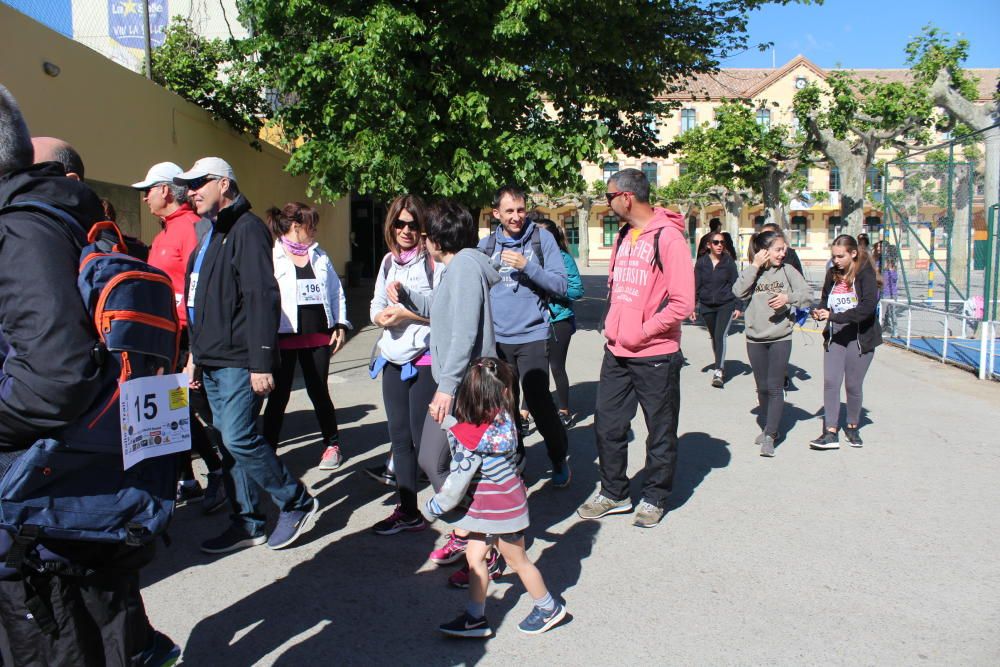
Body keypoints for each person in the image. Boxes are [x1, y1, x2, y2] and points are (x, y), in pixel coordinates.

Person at [0, 85, 180, 666]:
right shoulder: (89, 229)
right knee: (104, 620)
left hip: (39, 495)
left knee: (61, 634)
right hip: (90, 476)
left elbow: (55, 376)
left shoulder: (23, 230)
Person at [176, 157, 318, 554]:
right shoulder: (212, 234)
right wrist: (194, 357)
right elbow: (199, 303)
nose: (192, 191)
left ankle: (295, 500)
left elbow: (261, 296)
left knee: (238, 437)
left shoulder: (247, 228)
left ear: (225, 183)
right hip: (214, 359)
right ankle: (248, 522)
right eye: (188, 185)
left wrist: (260, 361)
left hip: (241, 359)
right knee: (228, 441)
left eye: (199, 182)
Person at [386, 198, 502, 586]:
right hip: (463, 385)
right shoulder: (458, 268)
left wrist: (446, 387)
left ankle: (482, 545)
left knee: (440, 462)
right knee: (449, 465)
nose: (420, 239)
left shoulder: (465, 266)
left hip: (468, 387)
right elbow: (441, 308)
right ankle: (474, 541)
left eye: (424, 233)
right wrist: (408, 297)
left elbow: (466, 329)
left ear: (437, 237)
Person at [576, 168, 694, 529]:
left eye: (609, 196)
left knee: (659, 431)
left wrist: (642, 331)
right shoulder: (625, 236)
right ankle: (614, 492)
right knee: (608, 425)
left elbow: (683, 303)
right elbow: (618, 289)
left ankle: (655, 497)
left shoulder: (669, 238)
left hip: (655, 354)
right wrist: (615, 328)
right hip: (617, 351)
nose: (607, 203)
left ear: (626, 196)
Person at [424, 358, 566, 638]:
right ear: (502, 393)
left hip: (498, 511)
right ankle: (475, 618)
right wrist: (447, 422)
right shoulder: (502, 421)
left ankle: (548, 607)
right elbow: (471, 435)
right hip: (497, 507)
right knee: (475, 556)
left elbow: (455, 485)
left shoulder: (475, 438)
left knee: (517, 561)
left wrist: (432, 508)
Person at [132, 161, 227, 513]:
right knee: (173, 411)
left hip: (188, 339)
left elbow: (201, 288)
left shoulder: (193, 228)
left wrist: (194, 351)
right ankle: (188, 478)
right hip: (163, 338)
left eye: (148, 190)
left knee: (191, 410)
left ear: (165, 191)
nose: (144, 198)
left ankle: (221, 470)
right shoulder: (161, 235)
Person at [478, 186, 570, 486]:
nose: (517, 217)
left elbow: (561, 285)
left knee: (539, 402)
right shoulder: (486, 245)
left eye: (521, 210)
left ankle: (558, 458)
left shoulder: (541, 239)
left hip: (533, 334)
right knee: (505, 407)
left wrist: (527, 266)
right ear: (497, 214)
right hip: (499, 339)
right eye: (509, 211)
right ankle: (517, 461)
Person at [368, 195, 441, 534]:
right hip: (392, 358)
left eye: (413, 225)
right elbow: (376, 304)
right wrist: (381, 317)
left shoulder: (432, 263)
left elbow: (443, 313)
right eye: (400, 224)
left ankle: (460, 510)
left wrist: (407, 314)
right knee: (398, 438)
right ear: (391, 225)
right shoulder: (388, 262)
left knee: (422, 442)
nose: (407, 231)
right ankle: (408, 510)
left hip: (423, 360)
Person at [262, 202, 351, 469]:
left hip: (317, 336)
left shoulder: (319, 255)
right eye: (311, 226)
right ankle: (268, 451)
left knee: (319, 391)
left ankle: (332, 445)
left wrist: (340, 324)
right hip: (283, 336)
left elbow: (336, 292)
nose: (315, 231)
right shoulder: (271, 255)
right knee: (278, 397)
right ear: (296, 226)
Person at [732, 229, 813, 457]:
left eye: (783, 249)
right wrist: (755, 266)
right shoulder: (754, 273)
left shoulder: (788, 271)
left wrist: (789, 298)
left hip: (780, 337)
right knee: (762, 387)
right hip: (755, 338)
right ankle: (768, 425)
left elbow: (808, 294)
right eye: (778, 249)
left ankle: (771, 434)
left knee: (775, 386)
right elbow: (738, 291)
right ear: (764, 251)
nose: (783, 253)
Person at [810, 235, 883, 450]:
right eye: (833, 256)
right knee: (831, 382)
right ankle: (830, 431)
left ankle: (852, 426)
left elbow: (867, 308)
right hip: (837, 335)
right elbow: (824, 298)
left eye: (840, 256)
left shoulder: (865, 274)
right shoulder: (832, 274)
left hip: (859, 336)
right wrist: (820, 310)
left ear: (852, 254)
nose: (836, 261)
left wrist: (833, 316)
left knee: (853, 385)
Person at [521, 218, 583, 427]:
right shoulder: (528, 257)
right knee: (533, 368)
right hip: (533, 319)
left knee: (556, 366)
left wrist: (550, 290)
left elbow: (576, 290)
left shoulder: (564, 258)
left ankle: (563, 410)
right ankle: (524, 412)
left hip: (559, 321)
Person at [690, 230, 742, 388]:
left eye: (722, 243)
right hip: (706, 305)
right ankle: (719, 361)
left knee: (720, 336)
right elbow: (696, 285)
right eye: (716, 242)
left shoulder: (728, 262)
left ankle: (718, 370)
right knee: (714, 336)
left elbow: (737, 285)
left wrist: (738, 305)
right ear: (708, 245)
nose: (720, 245)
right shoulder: (702, 263)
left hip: (725, 304)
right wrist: (692, 305)